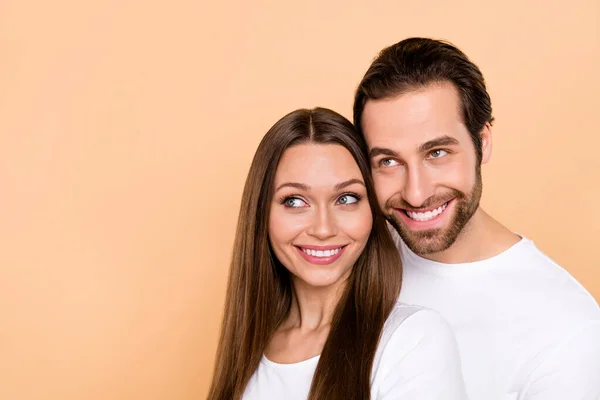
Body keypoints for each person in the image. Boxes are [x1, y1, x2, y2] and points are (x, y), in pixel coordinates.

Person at [353, 37, 600, 400]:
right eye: (388, 161)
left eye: (437, 152)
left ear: (482, 142)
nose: (416, 193)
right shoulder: (346, 258)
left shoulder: (567, 327)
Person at [207, 107, 466, 400]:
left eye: (346, 198)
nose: (323, 228)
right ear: (262, 213)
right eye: (294, 201)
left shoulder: (412, 340)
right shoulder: (250, 346)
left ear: (371, 210)